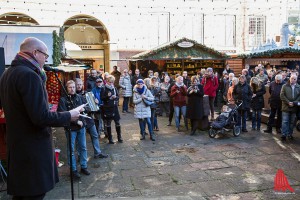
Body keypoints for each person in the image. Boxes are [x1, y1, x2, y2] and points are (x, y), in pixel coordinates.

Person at [0, 37, 82, 199]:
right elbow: (40, 117)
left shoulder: (7, 74)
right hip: (33, 152)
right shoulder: (29, 75)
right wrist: (69, 115)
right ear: (35, 52)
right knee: (33, 195)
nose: (46, 59)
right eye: (45, 55)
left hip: (18, 148)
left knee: (22, 195)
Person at [58, 80, 91, 179]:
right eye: (70, 87)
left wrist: (84, 109)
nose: (72, 89)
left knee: (83, 147)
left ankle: (84, 166)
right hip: (71, 128)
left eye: (73, 87)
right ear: (66, 88)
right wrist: (76, 122)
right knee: (71, 150)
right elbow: (63, 115)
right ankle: (73, 170)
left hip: (81, 128)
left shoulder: (80, 97)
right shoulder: (63, 100)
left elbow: (88, 107)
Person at [75, 78, 108, 159]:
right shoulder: (72, 96)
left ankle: (97, 152)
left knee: (95, 135)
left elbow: (93, 107)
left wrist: (96, 103)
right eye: (77, 85)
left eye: (80, 84)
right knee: (79, 139)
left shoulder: (87, 93)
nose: (79, 86)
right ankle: (80, 155)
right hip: (78, 120)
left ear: (82, 85)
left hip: (88, 118)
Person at [101, 75, 123, 144]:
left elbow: (117, 97)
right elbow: (102, 98)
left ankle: (119, 137)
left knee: (117, 122)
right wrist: (107, 96)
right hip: (107, 108)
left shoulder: (114, 88)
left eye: (112, 82)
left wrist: (115, 97)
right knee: (108, 123)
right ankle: (110, 138)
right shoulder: (103, 88)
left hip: (114, 107)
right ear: (107, 81)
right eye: (110, 82)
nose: (111, 83)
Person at [280, 74, 300, 141]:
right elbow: (282, 95)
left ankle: (290, 134)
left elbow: (299, 96)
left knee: (292, 122)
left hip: (294, 107)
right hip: (286, 107)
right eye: (292, 78)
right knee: (285, 121)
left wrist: (294, 102)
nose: (293, 80)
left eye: (294, 79)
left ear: (296, 80)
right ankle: (284, 135)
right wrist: (288, 102)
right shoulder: (285, 86)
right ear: (289, 78)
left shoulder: (298, 87)